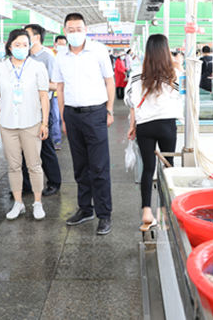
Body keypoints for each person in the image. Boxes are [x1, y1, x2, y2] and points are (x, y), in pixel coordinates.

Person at [54, 12, 115, 236]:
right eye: (70, 30)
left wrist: (109, 109)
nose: (75, 33)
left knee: (99, 167)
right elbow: (60, 88)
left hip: (96, 113)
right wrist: (63, 118)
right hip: (72, 114)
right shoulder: (61, 56)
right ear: (65, 31)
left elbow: (110, 81)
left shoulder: (98, 50)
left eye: (78, 29)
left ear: (86, 30)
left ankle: (104, 214)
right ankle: (85, 209)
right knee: (80, 166)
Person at [0, 29, 49, 220]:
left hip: (31, 123)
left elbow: (44, 96)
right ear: (9, 46)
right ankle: (18, 202)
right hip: (7, 124)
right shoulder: (0, 68)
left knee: (34, 165)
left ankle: (37, 202)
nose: (21, 48)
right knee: (13, 166)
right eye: (17, 44)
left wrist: (45, 123)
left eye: (25, 44)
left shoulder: (37, 67)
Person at [125, 34, 181, 232]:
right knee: (168, 168)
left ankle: (147, 212)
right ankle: (164, 214)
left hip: (145, 126)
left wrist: (132, 125)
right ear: (166, 51)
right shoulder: (174, 74)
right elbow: (179, 97)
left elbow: (131, 102)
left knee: (148, 169)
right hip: (167, 125)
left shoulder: (136, 75)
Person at [24, 24, 62, 197]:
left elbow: (56, 84)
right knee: (23, 148)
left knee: (45, 147)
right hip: (23, 108)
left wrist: (35, 82)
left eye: (27, 34)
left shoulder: (47, 57)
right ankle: (25, 185)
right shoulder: (23, 56)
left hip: (41, 108)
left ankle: (54, 182)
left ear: (37, 37)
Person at [51, 35, 68, 148]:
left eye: (64, 44)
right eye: (60, 44)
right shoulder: (51, 55)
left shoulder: (67, 56)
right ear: (55, 44)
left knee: (63, 115)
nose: (62, 46)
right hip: (55, 92)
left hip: (66, 92)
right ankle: (56, 140)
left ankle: (61, 132)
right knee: (55, 117)